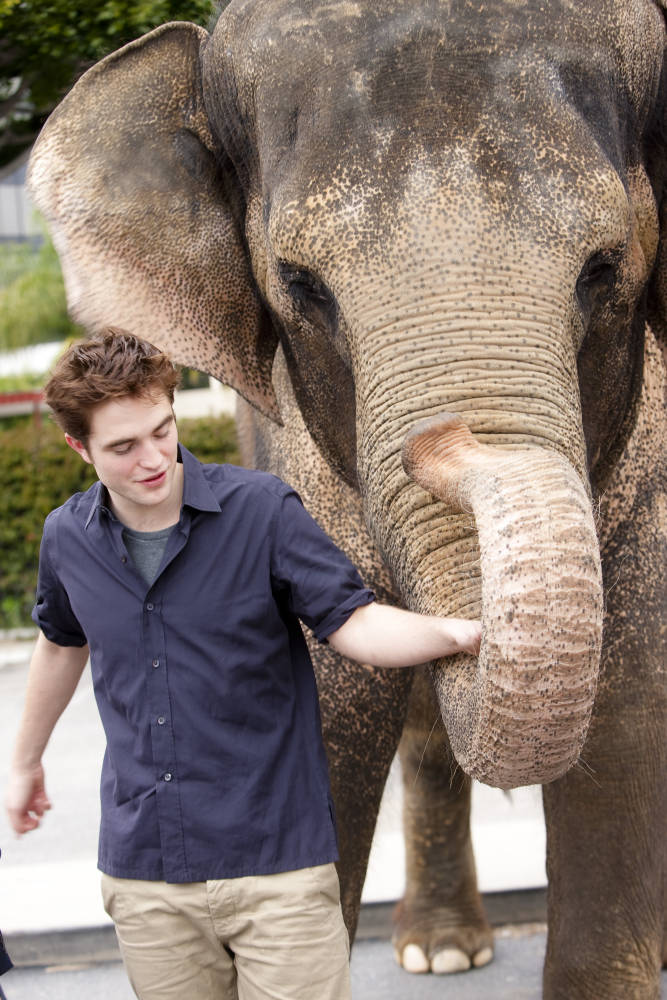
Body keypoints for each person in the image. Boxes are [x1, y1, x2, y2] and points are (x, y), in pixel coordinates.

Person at [4, 329, 481, 1000]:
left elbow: (354, 621)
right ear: (79, 447)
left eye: (162, 430)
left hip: (277, 870)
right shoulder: (66, 538)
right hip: (147, 878)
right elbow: (61, 642)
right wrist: (25, 763)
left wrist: (459, 632)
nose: (153, 458)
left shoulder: (262, 510)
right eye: (123, 446)